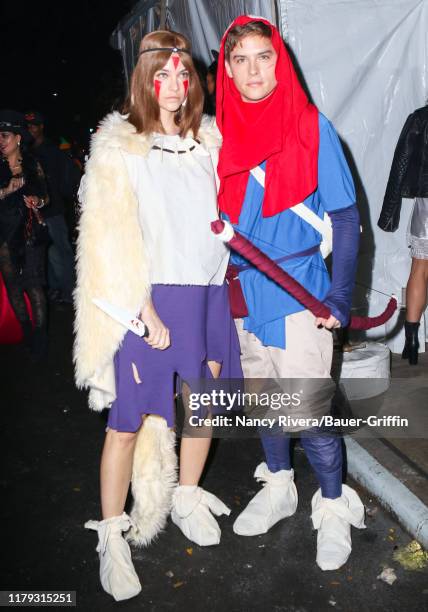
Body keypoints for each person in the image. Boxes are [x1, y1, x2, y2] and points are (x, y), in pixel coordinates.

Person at [73, 30, 242, 601]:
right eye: (161, 74)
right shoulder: (121, 144)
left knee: (205, 403)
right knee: (127, 422)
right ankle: (112, 536)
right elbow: (109, 236)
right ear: (144, 80)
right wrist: (141, 307)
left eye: (182, 74)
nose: (173, 86)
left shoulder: (211, 140)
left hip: (209, 293)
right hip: (148, 298)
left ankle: (187, 494)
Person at [216, 16, 365, 571]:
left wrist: (340, 295)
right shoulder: (220, 133)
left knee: (309, 409)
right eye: (241, 60)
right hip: (243, 293)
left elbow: (347, 217)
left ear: (280, 60)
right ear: (227, 70)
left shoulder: (309, 124)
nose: (254, 70)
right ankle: (280, 486)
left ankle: (330, 505)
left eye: (263, 56)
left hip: (300, 290)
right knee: (267, 402)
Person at [378, 104, 428, 365]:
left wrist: (390, 209)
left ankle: (411, 339)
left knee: (419, 268)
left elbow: (401, 163)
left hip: (427, 203)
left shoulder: (421, 117)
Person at [0, 109, 49, 357]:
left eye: (5, 135)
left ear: (18, 138)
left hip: (29, 233)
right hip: (4, 235)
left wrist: (37, 200)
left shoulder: (32, 164)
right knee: (14, 287)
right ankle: (27, 333)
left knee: (34, 285)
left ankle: (40, 340)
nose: (1, 141)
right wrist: (5, 191)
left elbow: (46, 195)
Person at [25, 111, 79, 304]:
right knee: (45, 252)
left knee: (61, 250)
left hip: (53, 209)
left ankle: (72, 291)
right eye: (28, 125)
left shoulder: (50, 150)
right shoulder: (27, 150)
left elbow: (59, 180)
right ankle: (56, 289)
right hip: (35, 211)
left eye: (34, 125)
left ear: (41, 127)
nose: (31, 129)